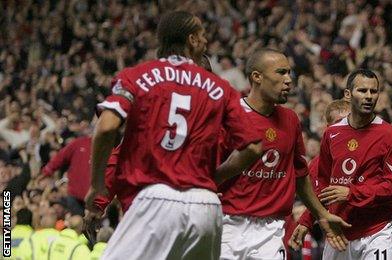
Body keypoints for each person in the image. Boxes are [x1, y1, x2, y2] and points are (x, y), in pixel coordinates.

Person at [84, 11, 263, 260]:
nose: (206, 41)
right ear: (191, 40)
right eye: (202, 35)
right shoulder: (221, 88)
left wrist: (96, 185)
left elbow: (105, 127)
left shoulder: (137, 76)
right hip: (207, 208)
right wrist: (213, 178)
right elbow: (254, 147)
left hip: (156, 200)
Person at [218, 48, 350, 259]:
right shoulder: (230, 117)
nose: (289, 80)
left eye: (289, 73)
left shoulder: (290, 119)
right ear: (257, 77)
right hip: (228, 224)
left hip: (271, 230)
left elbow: (300, 176)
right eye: (281, 72)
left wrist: (322, 215)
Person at [290, 68, 392, 259]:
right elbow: (324, 186)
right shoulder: (332, 134)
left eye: (373, 91)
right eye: (362, 90)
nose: (368, 96)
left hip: (376, 231)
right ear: (348, 94)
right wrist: (306, 221)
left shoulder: (391, 135)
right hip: (339, 230)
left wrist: (352, 193)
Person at [40, 135, 93, 215]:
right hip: (74, 195)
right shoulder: (80, 142)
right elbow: (61, 156)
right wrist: (47, 171)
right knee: (77, 222)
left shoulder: (108, 148)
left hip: (94, 198)